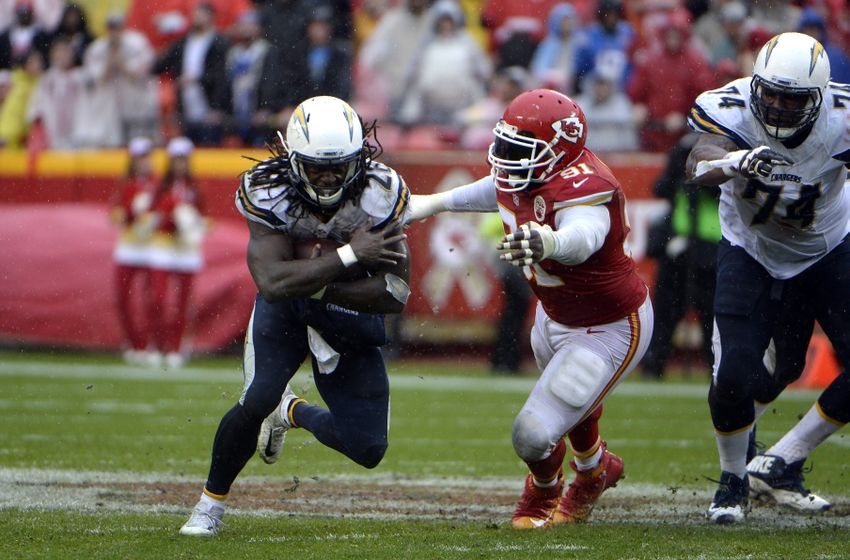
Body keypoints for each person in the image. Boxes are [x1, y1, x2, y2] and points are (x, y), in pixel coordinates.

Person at [407, 88, 653, 528]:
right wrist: (433, 204)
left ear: (558, 150)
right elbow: (495, 188)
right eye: (505, 143)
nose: (505, 157)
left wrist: (548, 240)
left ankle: (544, 489)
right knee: (573, 405)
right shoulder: (529, 172)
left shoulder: (586, 187)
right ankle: (596, 469)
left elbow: (584, 237)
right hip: (553, 314)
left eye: (520, 148)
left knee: (533, 433)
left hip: (608, 324)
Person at [179, 95, 410, 537]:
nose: (327, 177)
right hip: (287, 308)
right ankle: (210, 506)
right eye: (317, 166)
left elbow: (394, 293)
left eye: (338, 166)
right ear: (293, 158)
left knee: (367, 447)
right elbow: (271, 283)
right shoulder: (268, 190)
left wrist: (317, 283)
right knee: (257, 398)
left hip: (344, 310)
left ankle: (292, 411)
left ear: (358, 159)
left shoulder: (381, 192)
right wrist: (347, 255)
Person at [684, 32, 850, 524]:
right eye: (770, 93)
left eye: (791, 98)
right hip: (751, 249)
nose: (776, 106)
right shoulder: (732, 108)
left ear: (817, 98)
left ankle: (781, 461)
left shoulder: (842, 121)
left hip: (827, 250)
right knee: (736, 373)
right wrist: (734, 160)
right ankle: (733, 480)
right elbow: (697, 164)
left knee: (790, 367)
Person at [640, 133, 719, 379]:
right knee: (666, 311)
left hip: (711, 247)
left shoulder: (725, 157)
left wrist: (705, 174)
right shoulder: (681, 153)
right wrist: (682, 168)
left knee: (712, 315)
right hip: (679, 244)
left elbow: (722, 192)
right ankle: (654, 366)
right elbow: (661, 187)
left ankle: (715, 367)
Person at [144, 136, 207, 368]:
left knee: (183, 302)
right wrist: (167, 216)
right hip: (163, 247)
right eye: (176, 160)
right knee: (158, 298)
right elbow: (150, 216)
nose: (180, 165)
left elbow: (203, 220)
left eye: (184, 160)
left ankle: (176, 347)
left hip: (186, 250)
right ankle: (156, 344)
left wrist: (193, 226)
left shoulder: (195, 188)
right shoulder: (161, 187)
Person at [110, 137, 156, 365]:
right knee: (122, 298)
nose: (144, 163)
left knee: (152, 299)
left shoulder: (158, 184)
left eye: (146, 157)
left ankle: (148, 343)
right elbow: (115, 214)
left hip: (151, 248)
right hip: (128, 247)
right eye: (139, 158)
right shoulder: (126, 184)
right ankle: (133, 341)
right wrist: (131, 212)